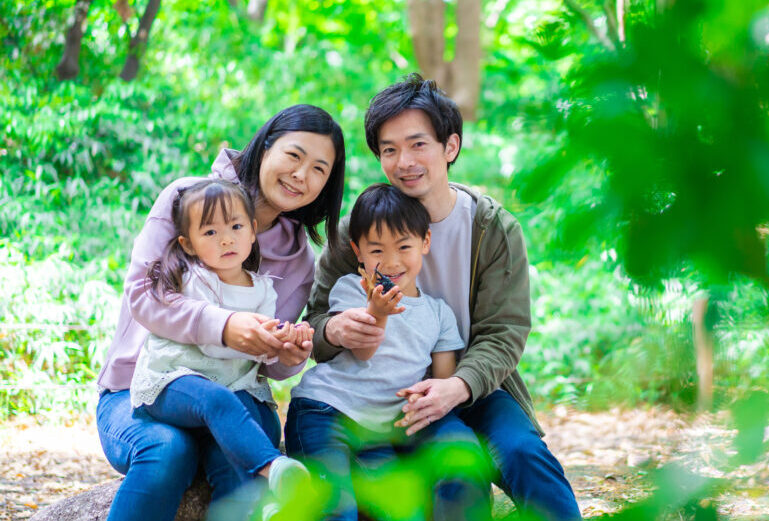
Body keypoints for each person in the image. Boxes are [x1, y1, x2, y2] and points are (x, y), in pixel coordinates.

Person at [306, 75, 582, 521]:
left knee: (524, 454)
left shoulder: (492, 228)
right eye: (389, 149)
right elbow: (317, 321)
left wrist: (457, 386)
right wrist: (334, 330)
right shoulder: (356, 233)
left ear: (450, 147)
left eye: (418, 145)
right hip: (384, 390)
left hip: (473, 383)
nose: (404, 161)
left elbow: (503, 331)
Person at [96, 104, 345, 521]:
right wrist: (224, 326)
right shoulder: (186, 199)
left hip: (237, 396)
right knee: (168, 450)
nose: (302, 175)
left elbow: (269, 366)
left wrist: (288, 353)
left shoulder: (299, 260)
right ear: (265, 147)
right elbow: (143, 294)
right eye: (294, 156)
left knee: (237, 456)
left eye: (320, 169)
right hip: (143, 391)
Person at [286, 182, 491, 521]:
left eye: (404, 246)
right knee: (337, 509)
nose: (392, 262)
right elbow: (364, 352)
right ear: (358, 251)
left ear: (425, 242)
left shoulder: (439, 314)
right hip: (325, 413)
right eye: (377, 250)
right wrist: (377, 312)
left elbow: (441, 380)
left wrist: (430, 398)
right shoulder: (352, 288)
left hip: (377, 431)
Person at [129, 179, 312, 518]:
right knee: (217, 399)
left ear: (253, 231)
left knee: (255, 427)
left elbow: (259, 354)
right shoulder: (190, 278)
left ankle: (253, 507)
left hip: (232, 388)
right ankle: (273, 470)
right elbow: (213, 346)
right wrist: (242, 333)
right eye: (210, 232)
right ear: (189, 243)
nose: (226, 238)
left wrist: (284, 345)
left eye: (236, 226)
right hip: (173, 384)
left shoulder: (263, 290)